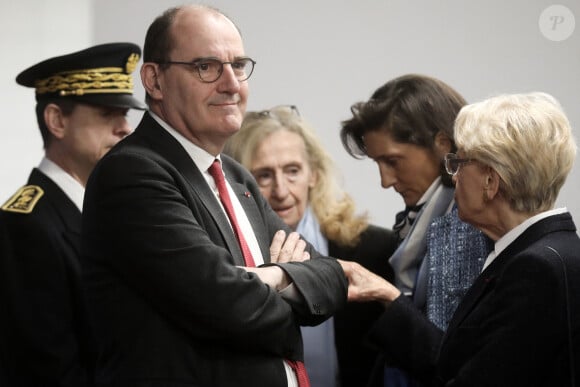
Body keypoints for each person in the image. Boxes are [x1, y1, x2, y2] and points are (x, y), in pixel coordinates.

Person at [80, 5, 347, 387]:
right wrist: (295, 287)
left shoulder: (235, 175)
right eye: (206, 66)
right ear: (154, 81)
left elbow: (331, 278)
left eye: (238, 65)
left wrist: (269, 277)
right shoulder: (133, 173)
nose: (231, 84)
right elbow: (227, 307)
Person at [339, 92, 580, 386]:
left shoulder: (535, 268)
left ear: (490, 182)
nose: (452, 176)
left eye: (459, 163)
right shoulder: (554, 251)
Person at [0, 43, 146, 387]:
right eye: (106, 113)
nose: (124, 128)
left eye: (125, 114)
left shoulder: (113, 213)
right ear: (57, 120)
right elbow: (46, 369)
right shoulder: (26, 224)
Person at [224, 105, 397, 387]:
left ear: (313, 174)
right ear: (237, 183)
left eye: (292, 171)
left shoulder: (373, 250)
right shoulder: (220, 256)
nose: (281, 191)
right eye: (264, 176)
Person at [340, 74, 491, 386]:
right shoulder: (429, 219)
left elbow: (445, 359)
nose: (385, 181)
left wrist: (388, 297)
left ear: (443, 145)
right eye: (378, 164)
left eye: (393, 161)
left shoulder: (465, 227)